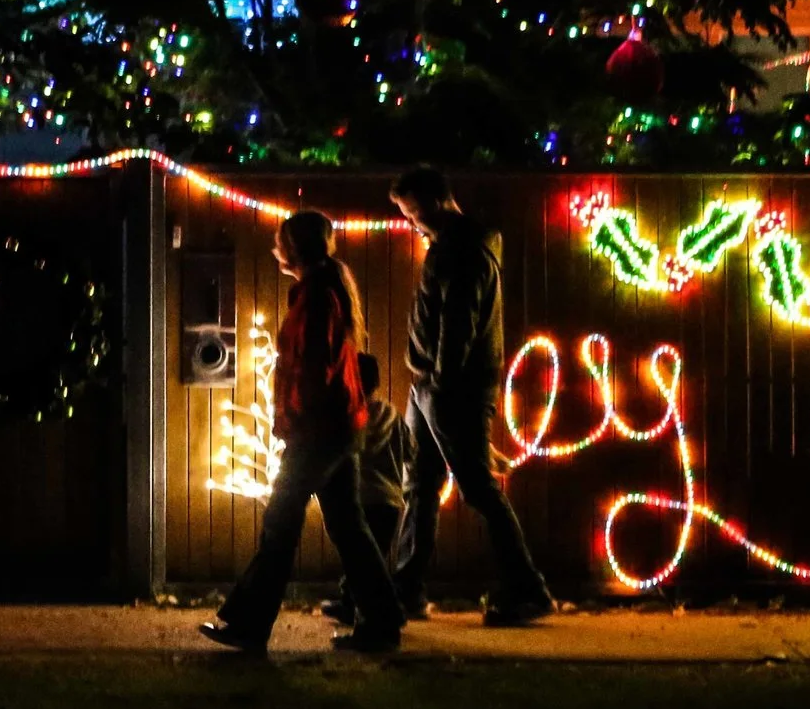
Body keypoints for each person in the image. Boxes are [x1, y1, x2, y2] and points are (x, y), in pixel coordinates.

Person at [200, 210, 406, 654]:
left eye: (279, 241)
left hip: (319, 430)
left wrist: (293, 420)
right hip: (337, 426)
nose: (275, 249)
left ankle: (249, 624)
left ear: (292, 248)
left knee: (281, 523)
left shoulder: (316, 297)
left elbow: (311, 367)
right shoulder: (326, 290)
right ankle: (383, 623)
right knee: (349, 527)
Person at [386, 166, 555, 625]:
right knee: (421, 485)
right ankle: (405, 588)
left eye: (414, 211)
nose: (412, 222)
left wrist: (440, 380)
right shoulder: (456, 246)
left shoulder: (462, 251)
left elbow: (458, 321)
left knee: (475, 486)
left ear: (439, 200)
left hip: (449, 387)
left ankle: (527, 588)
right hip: (434, 384)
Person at [321, 351, 411, 627]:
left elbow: (347, 450)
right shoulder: (393, 415)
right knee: (372, 558)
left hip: (365, 498)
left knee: (358, 557)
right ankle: (352, 603)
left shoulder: (352, 417)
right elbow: (410, 451)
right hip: (392, 502)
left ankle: (367, 608)